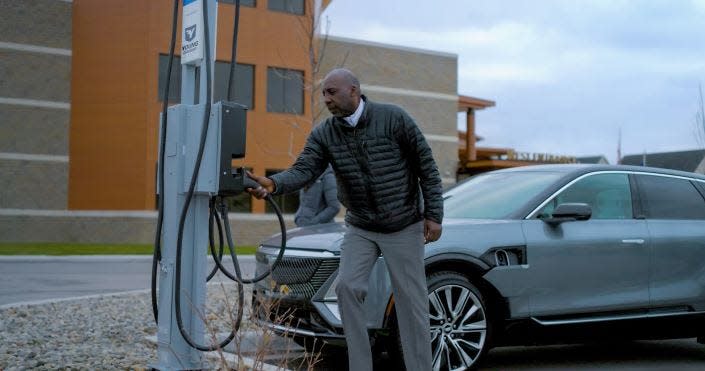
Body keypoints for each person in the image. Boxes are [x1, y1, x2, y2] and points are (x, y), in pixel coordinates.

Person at [247, 68, 443, 371]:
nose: (326, 99)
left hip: (403, 223)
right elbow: (305, 169)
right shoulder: (326, 133)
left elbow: (426, 167)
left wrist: (433, 214)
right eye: (324, 93)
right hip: (361, 225)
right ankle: (360, 366)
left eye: (332, 92)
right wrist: (275, 184)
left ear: (354, 90)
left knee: (411, 301)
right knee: (347, 288)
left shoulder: (394, 118)